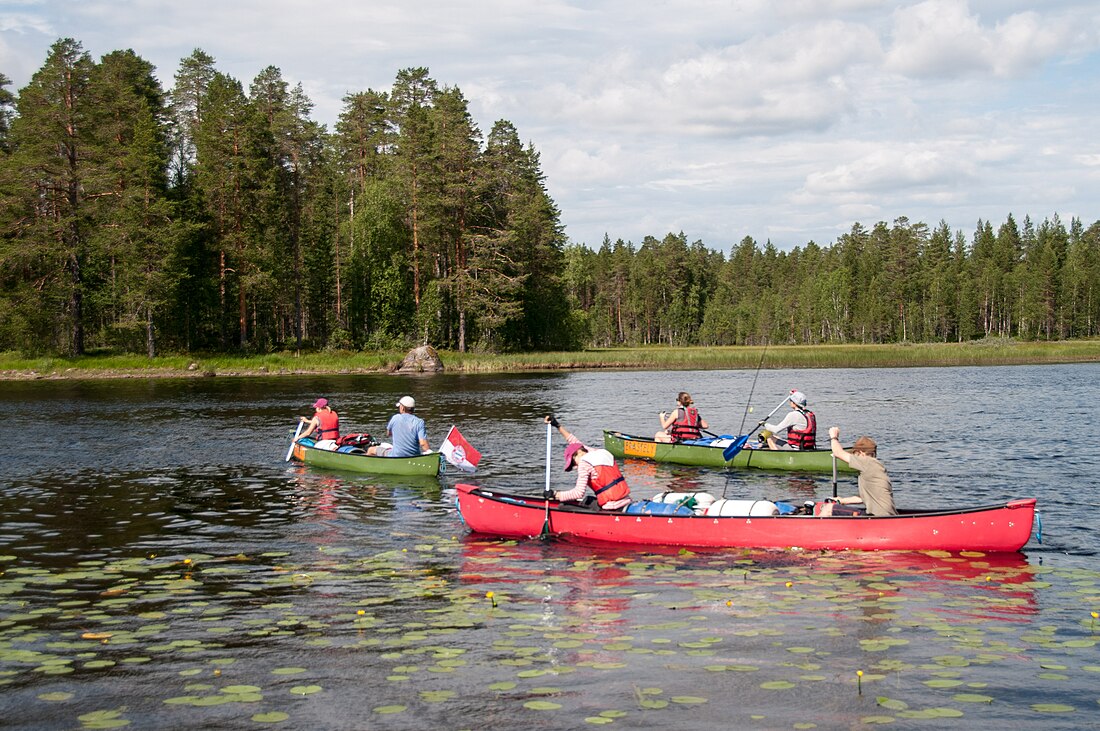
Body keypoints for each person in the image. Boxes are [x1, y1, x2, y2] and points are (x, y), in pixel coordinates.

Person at [545, 415, 632, 510]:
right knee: (587, 500)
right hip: (626, 500)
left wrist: (555, 494)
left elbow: (578, 493)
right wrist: (557, 425)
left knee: (562, 506)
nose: (575, 467)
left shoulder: (584, 463)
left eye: (573, 463)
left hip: (611, 506)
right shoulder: (600, 452)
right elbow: (574, 441)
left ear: (577, 454)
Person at [819, 426, 897, 516]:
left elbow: (838, 453)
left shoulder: (867, 462)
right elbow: (863, 498)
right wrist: (842, 501)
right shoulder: (875, 467)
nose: (855, 457)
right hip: (882, 515)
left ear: (861, 453)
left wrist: (834, 437)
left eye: (855, 454)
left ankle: (813, 528)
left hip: (878, 516)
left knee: (828, 509)